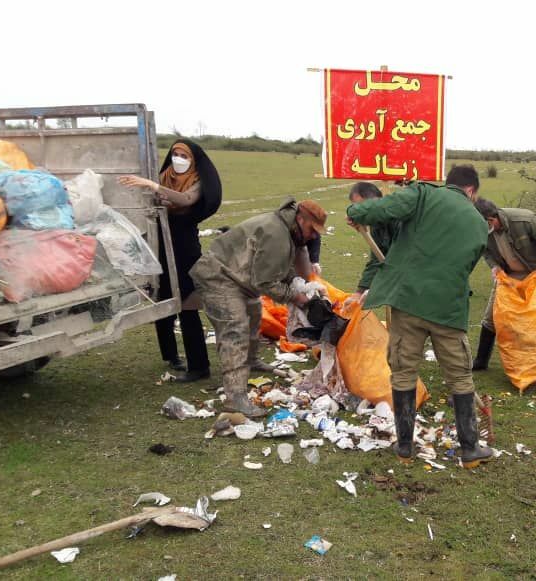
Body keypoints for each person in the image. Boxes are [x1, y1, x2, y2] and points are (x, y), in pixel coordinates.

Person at [346, 165, 494, 468]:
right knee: (459, 377)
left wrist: (355, 212)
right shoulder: (480, 224)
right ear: (471, 191)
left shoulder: (423, 193)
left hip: (407, 302)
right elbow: (465, 265)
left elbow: (383, 208)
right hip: (448, 310)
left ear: (449, 184)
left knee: (403, 371)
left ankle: (404, 448)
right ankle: (470, 451)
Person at [189, 198, 326, 417]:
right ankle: (236, 398)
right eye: (312, 229)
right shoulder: (277, 234)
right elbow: (266, 283)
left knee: (253, 316)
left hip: (240, 278)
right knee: (235, 329)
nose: (313, 236)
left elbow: (277, 268)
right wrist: (297, 298)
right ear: (300, 219)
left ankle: (250, 361)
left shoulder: (287, 231)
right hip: (219, 277)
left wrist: (299, 284)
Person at [118, 140, 221, 382]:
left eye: (183, 155)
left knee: (187, 304)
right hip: (160, 244)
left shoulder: (196, 180)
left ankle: (199, 366)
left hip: (185, 246)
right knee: (162, 299)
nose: (178, 158)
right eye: (175, 153)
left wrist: (153, 186)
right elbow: (162, 201)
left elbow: (185, 200)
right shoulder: (167, 175)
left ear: (193, 159)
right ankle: (171, 356)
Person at [471, 198, 536, 371]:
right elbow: (485, 251)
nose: (485, 229)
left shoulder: (523, 220)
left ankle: (531, 366)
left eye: (487, 224)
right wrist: (494, 267)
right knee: (491, 318)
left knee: (532, 321)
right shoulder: (481, 229)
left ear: (492, 218)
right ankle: (481, 361)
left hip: (533, 275)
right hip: (507, 276)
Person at [347, 182, 401, 292]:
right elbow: (377, 260)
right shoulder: (376, 223)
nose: (359, 214)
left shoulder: (398, 218)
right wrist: (360, 292)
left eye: (361, 208)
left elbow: (401, 259)